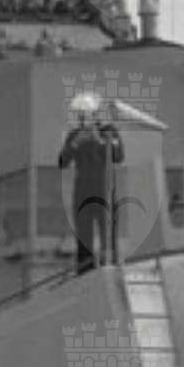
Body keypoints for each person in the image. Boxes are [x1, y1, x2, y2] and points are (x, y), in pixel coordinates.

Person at [59, 92, 126, 273]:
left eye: (86, 113)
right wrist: (76, 144)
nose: (83, 118)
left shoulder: (109, 131)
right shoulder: (74, 135)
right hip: (83, 192)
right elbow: (62, 161)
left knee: (108, 235)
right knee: (83, 235)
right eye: (81, 114)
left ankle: (109, 267)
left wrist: (100, 141)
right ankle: (85, 271)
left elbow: (119, 156)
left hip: (105, 191)